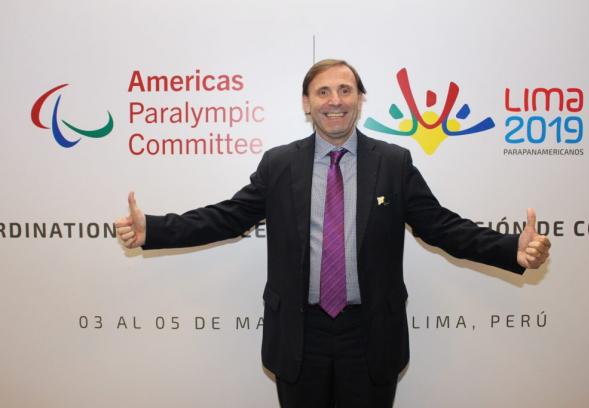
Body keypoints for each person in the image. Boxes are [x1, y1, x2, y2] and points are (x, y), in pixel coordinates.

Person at [115, 59, 550, 408]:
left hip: (371, 334)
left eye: (345, 90)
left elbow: (441, 226)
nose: (335, 100)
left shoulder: (393, 163)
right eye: (323, 91)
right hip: (300, 335)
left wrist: (513, 249)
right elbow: (227, 216)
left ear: (360, 100)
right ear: (306, 103)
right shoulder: (280, 164)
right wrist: (152, 228)